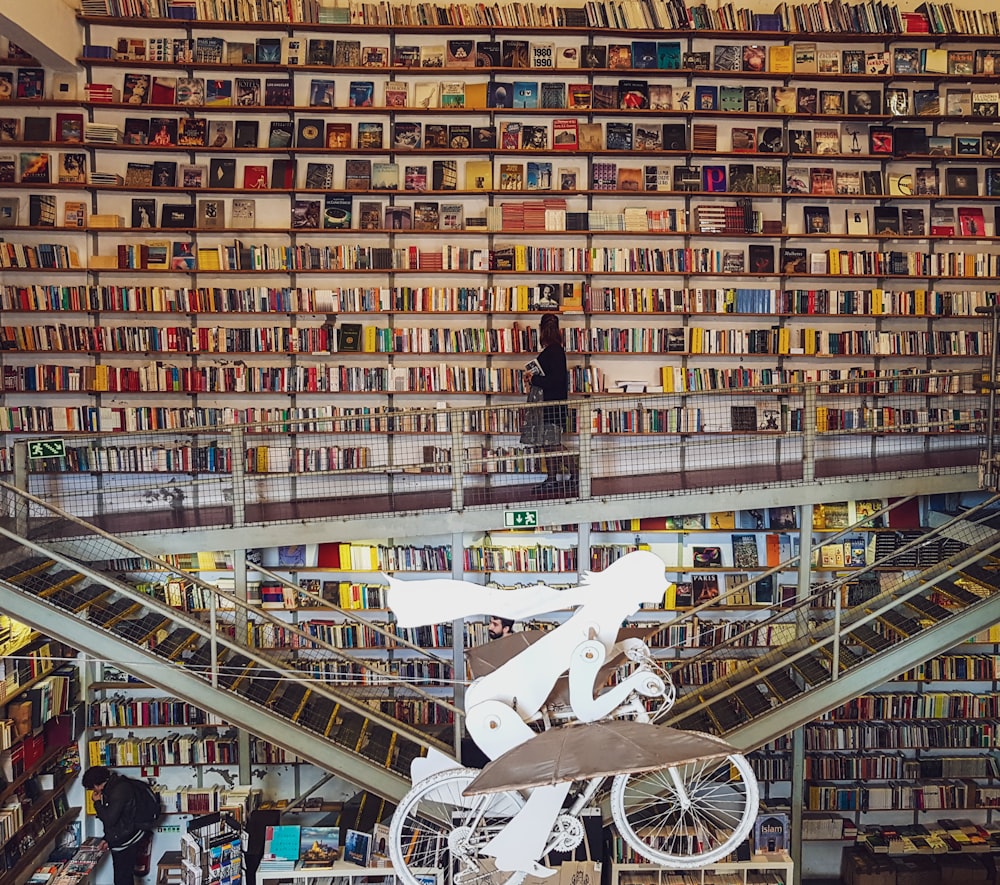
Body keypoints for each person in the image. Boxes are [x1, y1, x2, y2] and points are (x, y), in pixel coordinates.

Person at [526, 313, 573, 494]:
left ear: (542, 330)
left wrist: (534, 379)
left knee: (553, 444)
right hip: (552, 404)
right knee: (548, 444)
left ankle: (575, 474)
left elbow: (555, 380)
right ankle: (553, 478)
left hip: (552, 404)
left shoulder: (553, 351)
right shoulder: (556, 350)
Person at [82, 766, 153, 885]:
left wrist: (97, 803)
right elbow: (117, 820)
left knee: (122, 879)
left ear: (96, 785)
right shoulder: (116, 785)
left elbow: (110, 819)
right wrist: (107, 839)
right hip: (126, 835)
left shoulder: (118, 791)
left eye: (91, 788)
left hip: (127, 840)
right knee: (123, 878)